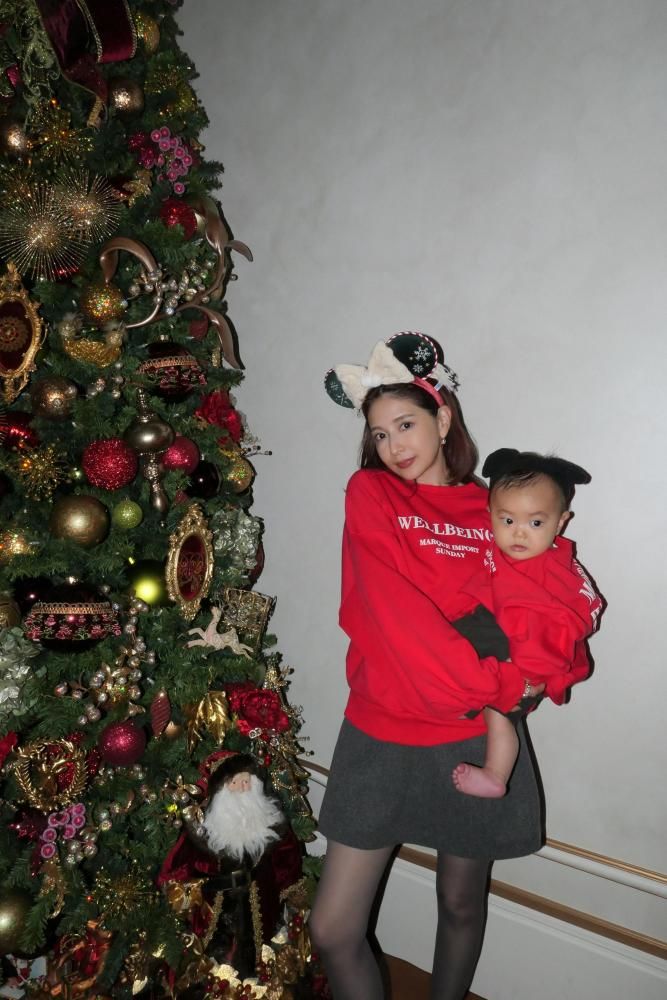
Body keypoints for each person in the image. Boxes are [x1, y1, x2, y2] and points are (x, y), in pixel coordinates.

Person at [310, 332, 545, 1000]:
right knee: (332, 928)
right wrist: (496, 683)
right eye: (379, 434)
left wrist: (537, 672)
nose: (393, 445)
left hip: (473, 734)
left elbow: (537, 603)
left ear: (442, 419)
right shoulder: (372, 494)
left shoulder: (493, 509)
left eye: (405, 425)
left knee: (461, 902)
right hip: (383, 728)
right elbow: (388, 614)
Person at [451, 449, 603, 799]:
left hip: (534, 661)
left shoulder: (554, 573)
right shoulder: (513, 551)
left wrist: (532, 675)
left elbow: (566, 625)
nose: (519, 533)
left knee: (500, 716)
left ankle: (496, 774)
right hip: (502, 632)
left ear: (560, 523)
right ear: (490, 514)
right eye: (507, 520)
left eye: (535, 523)